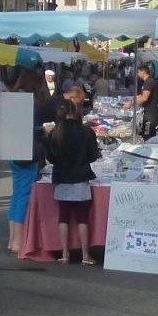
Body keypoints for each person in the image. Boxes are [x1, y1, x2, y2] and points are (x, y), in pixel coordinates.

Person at [47, 97, 101, 264]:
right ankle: (85, 255)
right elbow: (92, 156)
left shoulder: (55, 132)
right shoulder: (86, 131)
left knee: (63, 217)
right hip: (80, 178)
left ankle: (65, 253)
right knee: (82, 218)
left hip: (62, 178)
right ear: (75, 111)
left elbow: (50, 158)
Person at [8, 71, 54, 253]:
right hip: (27, 152)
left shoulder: (13, 98)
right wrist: (43, 129)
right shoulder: (28, 101)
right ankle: (18, 241)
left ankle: (13, 239)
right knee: (24, 197)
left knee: (17, 195)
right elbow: (27, 128)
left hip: (13, 150)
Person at [135, 64, 158, 138]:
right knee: (146, 135)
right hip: (148, 112)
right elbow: (142, 95)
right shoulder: (147, 82)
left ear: (143, 72)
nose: (138, 74)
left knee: (147, 136)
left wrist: (132, 104)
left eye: (138, 72)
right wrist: (133, 98)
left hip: (150, 114)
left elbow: (144, 98)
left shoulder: (148, 82)